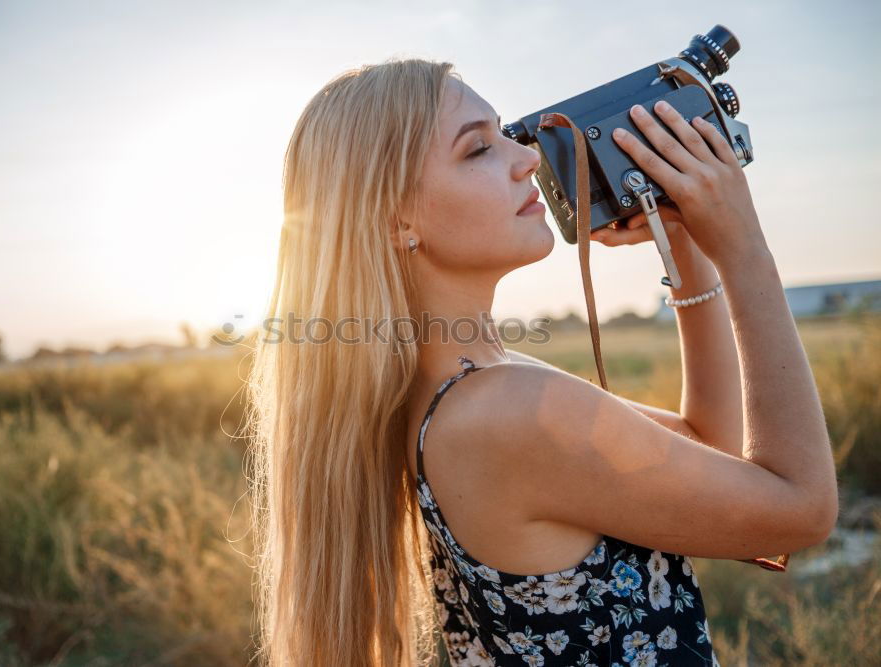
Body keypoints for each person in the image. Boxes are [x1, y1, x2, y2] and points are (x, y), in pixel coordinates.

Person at [243, 58, 839, 667]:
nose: (527, 158)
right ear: (396, 221)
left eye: (506, 134)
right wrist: (745, 252)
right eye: (477, 149)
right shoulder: (507, 409)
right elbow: (799, 510)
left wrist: (685, 244)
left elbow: (708, 443)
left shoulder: (472, 388)